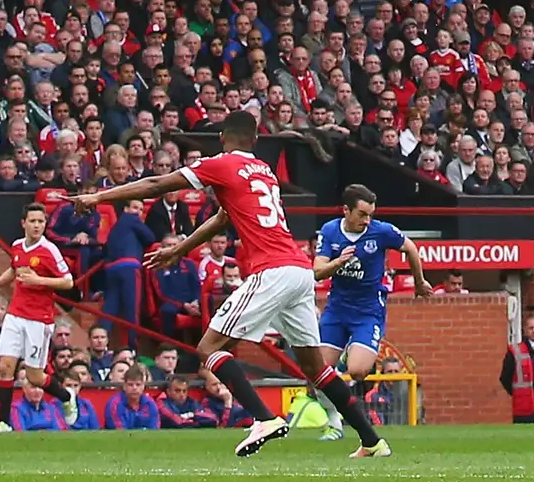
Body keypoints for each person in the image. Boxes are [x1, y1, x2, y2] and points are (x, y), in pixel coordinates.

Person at [69, 106, 390, 460]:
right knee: (315, 367)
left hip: (271, 270)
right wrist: (180, 249)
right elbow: (224, 217)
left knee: (209, 348)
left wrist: (97, 197)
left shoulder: (220, 163)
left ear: (222, 138)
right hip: (299, 271)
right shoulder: (263, 170)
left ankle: (264, 418)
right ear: (254, 140)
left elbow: (157, 184)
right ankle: (372, 441)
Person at [307, 183, 424, 448]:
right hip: (337, 308)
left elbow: (411, 248)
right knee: (316, 372)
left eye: (370, 214)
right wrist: (339, 262)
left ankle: (351, 350)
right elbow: (317, 271)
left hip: (368, 310)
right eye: (362, 214)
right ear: (346, 211)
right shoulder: (329, 231)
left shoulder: (380, 231)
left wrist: (418, 282)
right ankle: (334, 419)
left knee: (358, 371)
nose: (367, 220)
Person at [0, 213, 80, 398]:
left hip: (38, 319)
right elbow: (13, 269)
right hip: (15, 314)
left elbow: (68, 282)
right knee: (5, 367)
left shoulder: (49, 250)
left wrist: (38, 280)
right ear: (23, 223)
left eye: (41, 222)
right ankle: (4, 423)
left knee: (35, 377)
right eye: (33, 221)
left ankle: (67, 397)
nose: (37, 225)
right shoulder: (17, 246)